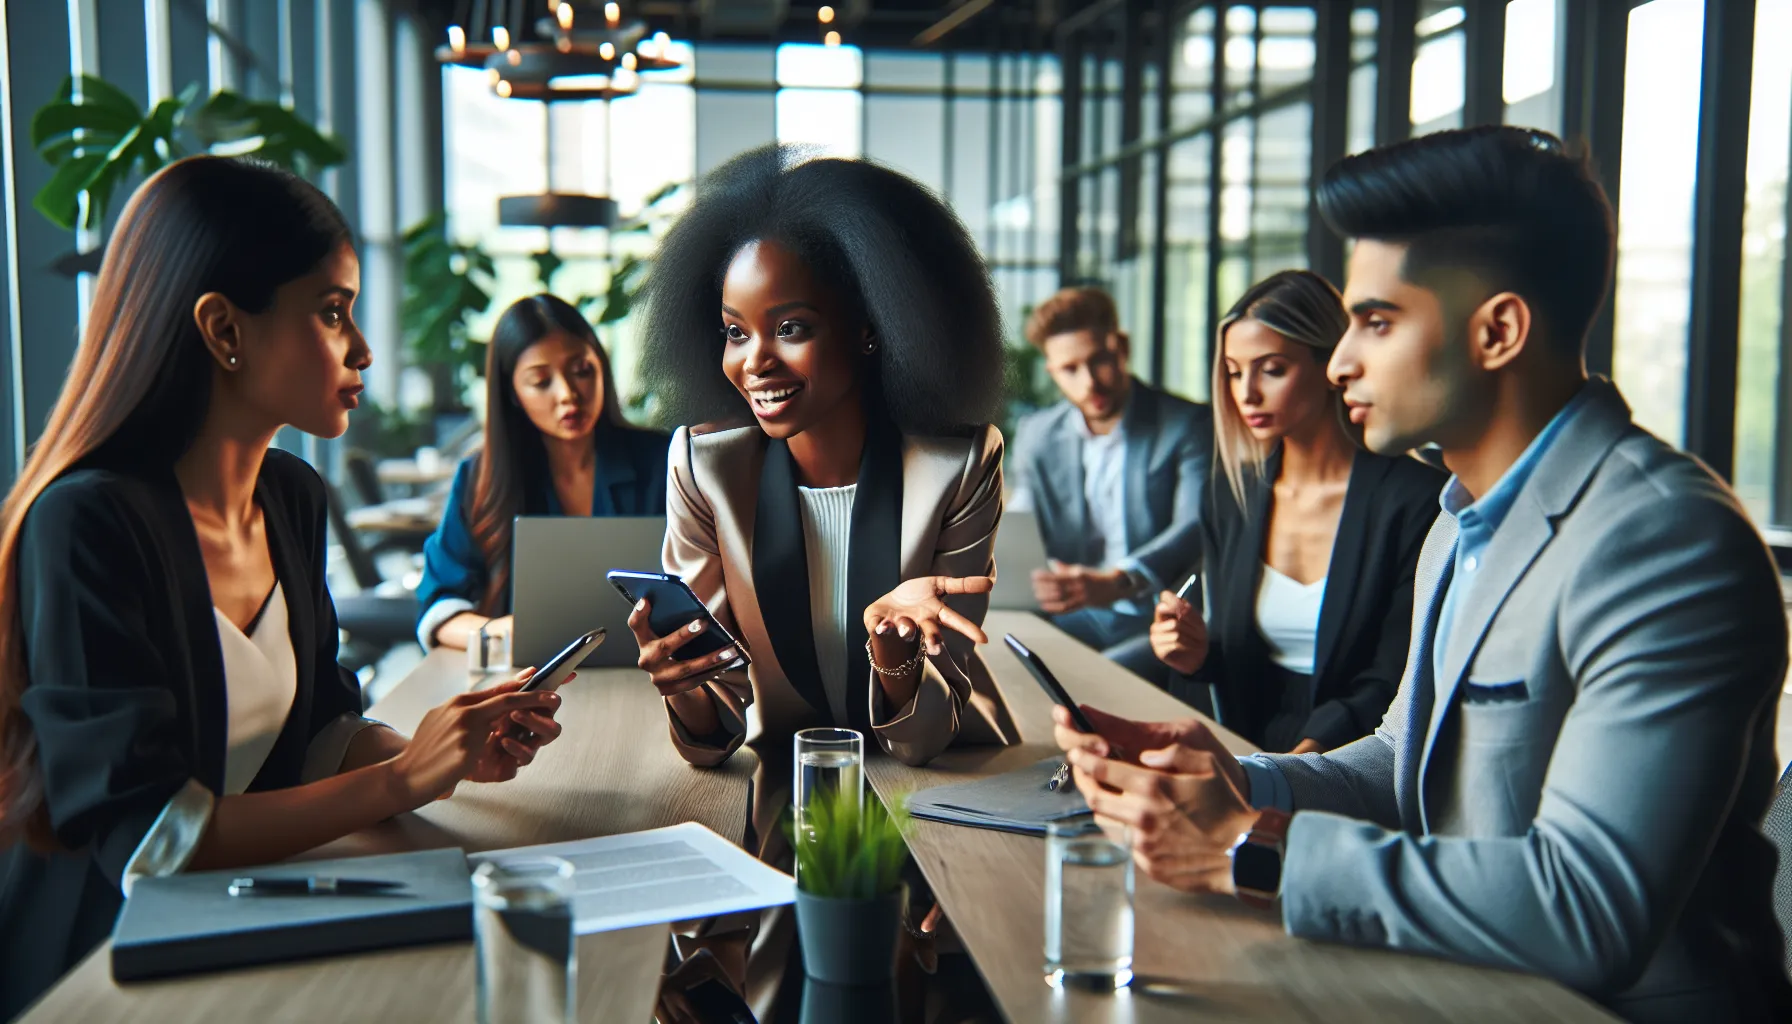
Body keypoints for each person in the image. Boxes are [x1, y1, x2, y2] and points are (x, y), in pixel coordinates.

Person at [1053, 126, 1791, 1022]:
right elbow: (1398, 760)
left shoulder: (1666, 542)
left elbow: (1586, 906)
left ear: (1498, 331)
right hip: (1456, 985)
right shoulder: (1458, 521)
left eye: (1376, 322)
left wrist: (1253, 849)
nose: (1340, 362)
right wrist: (1244, 779)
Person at [0, 157, 569, 1018]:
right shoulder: (87, 524)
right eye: (332, 311)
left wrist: (442, 753)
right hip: (104, 966)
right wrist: (400, 780)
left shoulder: (292, 497)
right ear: (224, 329)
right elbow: (151, 840)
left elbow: (318, 729)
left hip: (246, 921)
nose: (363, 349)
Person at [1149, 269, 1444, 753]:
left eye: (1271, 369)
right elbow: (1235, 660)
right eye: (1234, 372)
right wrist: (1196, 655)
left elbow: (1397, 672)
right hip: (1244, 745)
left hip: (1359, 754)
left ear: (1331, 363)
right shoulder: (1231, 495)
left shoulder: (1415, 500)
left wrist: (1298, 769)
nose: (1247, 393)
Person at [416, 294, 671, 650]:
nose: (568, 394)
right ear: (513, 394)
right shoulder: (480, 478)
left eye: (581, 371)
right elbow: (440, 608)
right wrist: (503, 631)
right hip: (530, 672)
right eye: (540, 381)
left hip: (653, 667)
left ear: (602, 367)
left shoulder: (666, 461)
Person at [1008, 287, 1210, 684]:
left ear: (1123, 348)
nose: (1089, 383)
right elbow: (1022, 522)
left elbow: (1193, 526)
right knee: (1000, 657)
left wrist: (1116, 582)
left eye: (1099, 360)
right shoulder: (1037, 435)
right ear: (1052, 371)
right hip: (1074, 614)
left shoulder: (1187, 425)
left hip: (1157, 617)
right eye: (1070, 369)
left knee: (1084, 679)